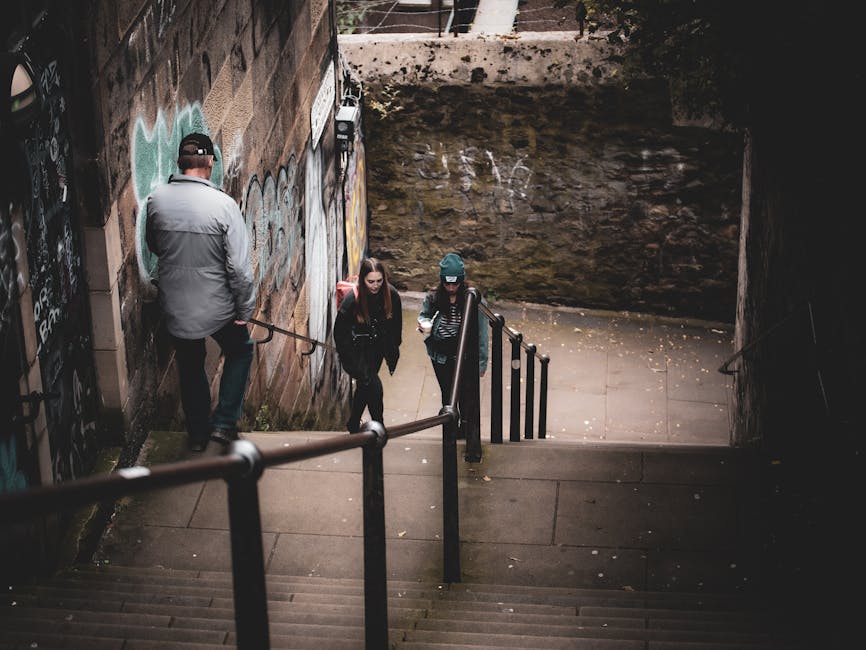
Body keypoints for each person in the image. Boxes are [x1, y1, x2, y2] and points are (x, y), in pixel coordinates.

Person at [146, 132, 256, 452]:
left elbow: (154, 246)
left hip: (175, 305)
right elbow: (239, 269)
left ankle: (196, 434)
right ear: (209, 162)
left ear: (181, 163)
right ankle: (223, 424)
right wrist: (244, 310)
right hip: (218, 307)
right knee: (240, 350)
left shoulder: (157, 199)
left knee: (190, 364)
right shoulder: (223, 206)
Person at [418, 253, 488, 433]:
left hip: (463, 353)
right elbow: (424, 314)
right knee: (448, 394)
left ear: (461, 280)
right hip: (440, 354)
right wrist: (423, 323)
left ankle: (465, 428)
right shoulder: (434, 297)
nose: (450, 287)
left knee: (465, 394)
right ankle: (450, 429)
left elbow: (482, 333)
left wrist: (481, 363)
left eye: (454, 283)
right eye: (447, 283)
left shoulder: (472, 299)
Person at [334, 257, 402, 433]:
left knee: (365, 386)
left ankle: (353, 422)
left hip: (377, 351)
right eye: (370, 281)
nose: (375, 285)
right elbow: (339, 334)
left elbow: (396, 326)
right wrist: (350, 361)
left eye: (379, 280)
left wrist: (393, 349)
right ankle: (379, 427)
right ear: (363, 280)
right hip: (356, 354)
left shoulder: (391, 294)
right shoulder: (352, 300)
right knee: (374, 387)